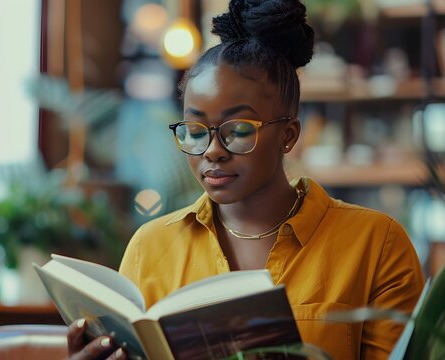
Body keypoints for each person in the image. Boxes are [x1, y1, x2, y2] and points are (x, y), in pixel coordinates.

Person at [66, 0, 425, 358]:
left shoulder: (376, 244)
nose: (212, 150)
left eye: (237, 130)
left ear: (288, 135)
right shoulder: (151, 247)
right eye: (195, 130)